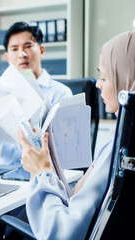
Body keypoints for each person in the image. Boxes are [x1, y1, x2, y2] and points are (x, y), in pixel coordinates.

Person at [13, 30, 135, 239]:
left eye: (104, 77)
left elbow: (62, 232)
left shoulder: (120, 148)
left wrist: (41, 172)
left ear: (124, 78)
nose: (97, 84)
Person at [0, 22, 72, 167]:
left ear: (41, 50)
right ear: (8, 57)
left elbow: (66, 148)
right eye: (14, 49)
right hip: (5, 172)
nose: (22, 54)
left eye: (28, 47)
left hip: (43, 173)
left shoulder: (61, 93)